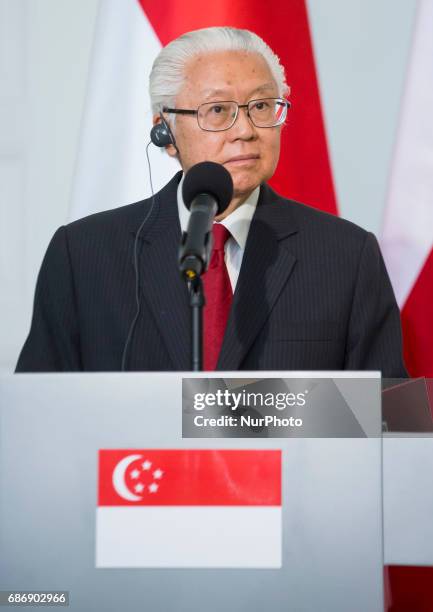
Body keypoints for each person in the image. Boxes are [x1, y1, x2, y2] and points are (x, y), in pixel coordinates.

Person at [16, 27, 406, 376]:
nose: (245, 131)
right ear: (164, 132)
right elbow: (42, 418)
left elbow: (384, 420)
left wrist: (227, 417)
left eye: (261, 106)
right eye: (218, 110)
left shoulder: (346, 256)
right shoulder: (83, 254)